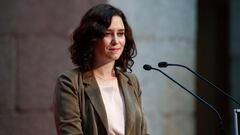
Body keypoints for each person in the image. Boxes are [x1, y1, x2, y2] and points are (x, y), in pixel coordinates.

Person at [54, 3, 149, 135]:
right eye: (108, 34)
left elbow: (143, 132)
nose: (116, 41)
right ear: (92, 39)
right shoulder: (70, 82)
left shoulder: (132, 82)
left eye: (120, 33)